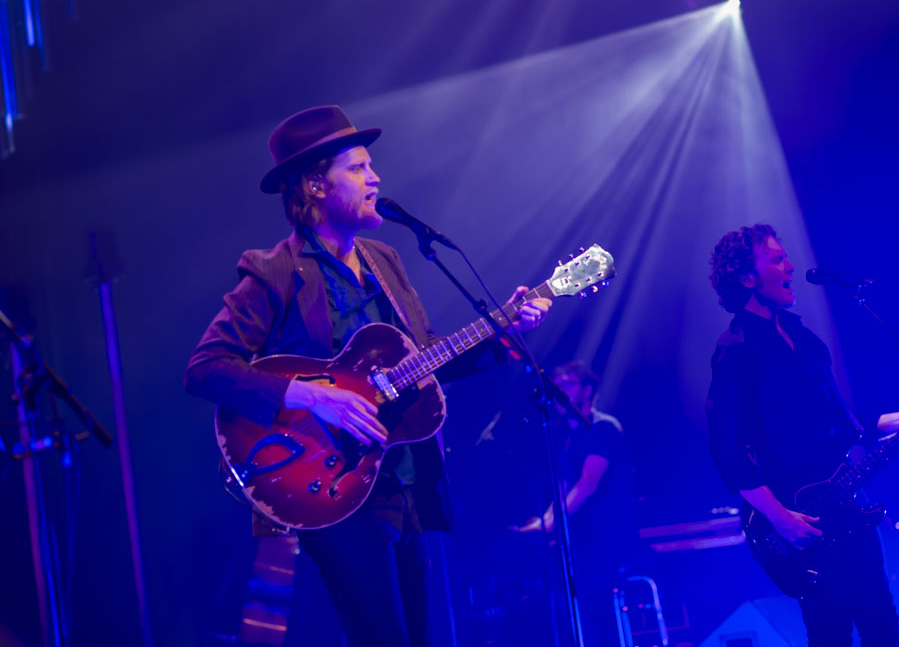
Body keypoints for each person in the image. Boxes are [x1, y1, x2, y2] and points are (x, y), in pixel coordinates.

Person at [184, 105, 552, 647]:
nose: (375, 177)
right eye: (357, 168)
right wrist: (313, 397)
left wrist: (503, 329)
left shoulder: (385, 260)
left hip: (399, 478)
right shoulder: (274, 271)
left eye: (371, 166)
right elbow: (206, 368)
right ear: (313, 185)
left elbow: (424, 360)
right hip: (325, 482)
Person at [706, 223, 899, 646]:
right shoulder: (737, 350)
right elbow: (727, 451)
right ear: (747, 277)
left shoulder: (800, 337)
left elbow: (847, 423)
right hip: (802, 517)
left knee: (882, 625)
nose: (791, 265)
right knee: (831, 632)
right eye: (777, 258)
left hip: (849, 500)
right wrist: (780, 519)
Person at [516, 360, 640, 647]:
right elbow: (562, 492)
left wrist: (549, 523)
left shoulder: (603, 428)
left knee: (576, 593)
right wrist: (542, 523)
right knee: (556, 592)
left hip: (610, 536)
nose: (559, 390)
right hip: (586, 538)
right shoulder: (567, 438)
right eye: (558, 384)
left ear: (587, 390)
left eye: (568, 383)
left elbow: (588, 482)